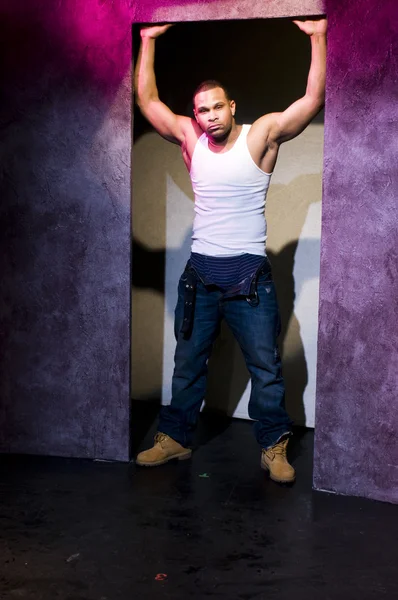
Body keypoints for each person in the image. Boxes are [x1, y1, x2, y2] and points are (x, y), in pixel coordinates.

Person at [134, 19, 327, 483]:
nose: (210, 116)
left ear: (231, 106)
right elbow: (147, 101)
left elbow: (311, 102)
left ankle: (273, 445)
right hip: (200, 274)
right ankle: (176, 437)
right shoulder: (190, 139)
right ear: (196, 115)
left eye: (217, 107)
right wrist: (147, 41)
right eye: (202, 110)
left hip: (249, 279)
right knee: (188, 363)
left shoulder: (259, 136)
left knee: (265, 367)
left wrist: (317, 38)